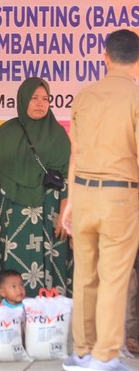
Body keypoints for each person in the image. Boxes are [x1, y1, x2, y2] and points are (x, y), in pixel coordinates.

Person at [62, 29, 139, 371]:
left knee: (85, 275)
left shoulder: (85, 96)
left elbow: (75, 153)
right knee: (114, 276)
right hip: (121, 195)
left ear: (104, 57)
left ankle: (82, 350)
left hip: (84, 194)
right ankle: (105, 356)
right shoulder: (135, 97)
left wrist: (69, 201)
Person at [0, 77, 72, 298]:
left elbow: (69, 178)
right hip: (12, 217)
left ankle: (49, 325)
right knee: (11, 272)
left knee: (52, 271)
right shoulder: (5, 134)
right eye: (34, 98)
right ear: (23, 100)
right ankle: (11, 323)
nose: (40, 103)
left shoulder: (59, 135)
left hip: (50, 217)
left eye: (45, 99)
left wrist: (64, 214)